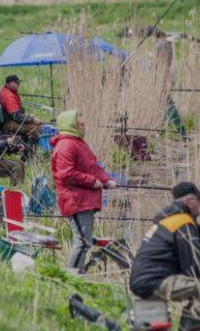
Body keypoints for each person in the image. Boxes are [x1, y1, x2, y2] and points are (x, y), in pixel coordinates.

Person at [129, 182, 200, 328]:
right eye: (199, 199)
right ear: (188, 201)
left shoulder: (167, 219)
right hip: (157, 281)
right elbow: (193, 265)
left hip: (142, 281)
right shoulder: (182, 222)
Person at [50, 110, 116, 275]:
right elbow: (66, 174)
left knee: (84, 242)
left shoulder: (78, 143)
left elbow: (93, 167)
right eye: (81, 124)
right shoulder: (66, 145)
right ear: (71, 125)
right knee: (82, 242)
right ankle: (71, 277)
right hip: (75, 200)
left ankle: (79, 276)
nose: (84, 127)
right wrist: (92, 181)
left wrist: (106, 180)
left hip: (84, 200)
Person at [0, 74, 43, 144]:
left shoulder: (6, 90)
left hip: (8, 120)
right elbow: (17, 116)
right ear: (12, 84)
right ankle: (28, 151)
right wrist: (32, 119)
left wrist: (29, 118)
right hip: (7, 123)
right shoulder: (9, 96)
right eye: (18, 83)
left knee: (34, 125)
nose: (19, 85)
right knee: (34, 128)